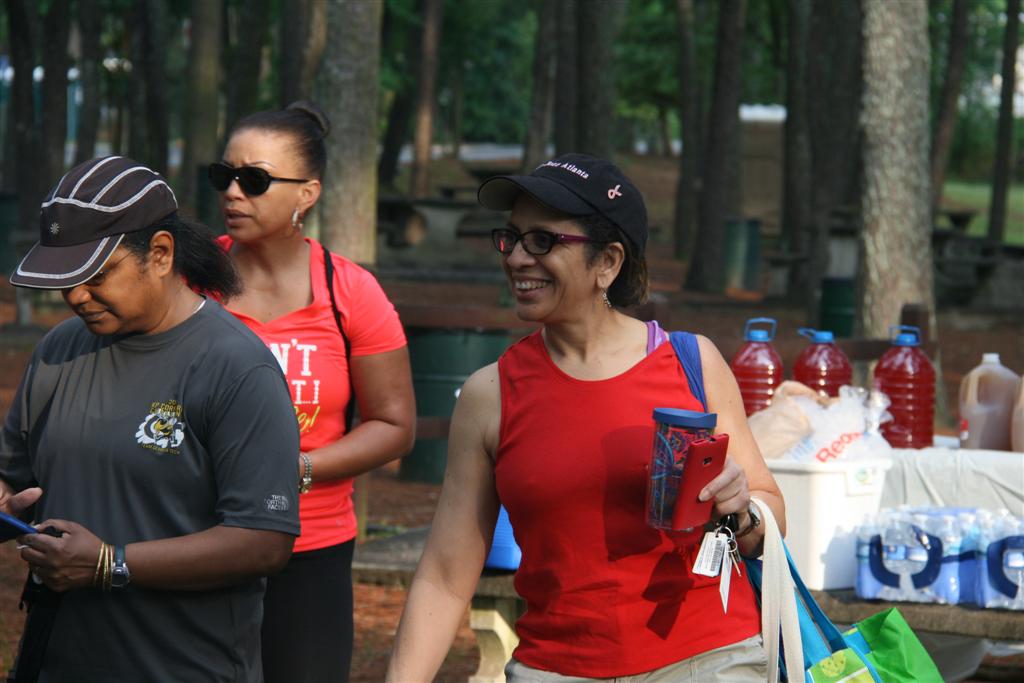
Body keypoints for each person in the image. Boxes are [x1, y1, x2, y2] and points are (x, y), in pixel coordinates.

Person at [387, 153, 787, 682]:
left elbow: (770, 513)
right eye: (512, 238)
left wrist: (744, 511)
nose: (517, 258)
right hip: (556, 669)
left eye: (543, 241)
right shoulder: (491, 394)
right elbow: (444, 575)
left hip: (707, 660)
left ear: (608, 263)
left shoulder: (693, 362)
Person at [0, 155, 301, 682]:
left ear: (160, 254)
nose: (76, 296)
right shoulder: (59, 350)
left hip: (183, 666)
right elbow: (13, 475)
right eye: (66, 279)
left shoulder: (236, 368)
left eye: (97, 274)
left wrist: (109, 563)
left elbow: (263, 540)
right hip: (57, 660)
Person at [210, 101, 416, 683]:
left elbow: (394, 425)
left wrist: (296, 468)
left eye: (254, 180)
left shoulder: (350, 292)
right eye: (224, 175)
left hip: (311, 545)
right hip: (196, 540)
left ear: (307, 193)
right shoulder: (190, 281)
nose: (233, 192)